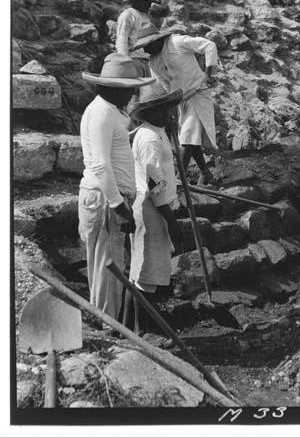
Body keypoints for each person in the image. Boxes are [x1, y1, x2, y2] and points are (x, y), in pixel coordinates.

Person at [79, 53, 154, 319]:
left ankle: (107, 323)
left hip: (110, 198)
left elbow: (114, 145)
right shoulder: (101, 113)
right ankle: (106, 327)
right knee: (107, 270)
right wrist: (118, 206)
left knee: (110, 267)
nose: (133, 94)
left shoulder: (110, 111)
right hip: (105, 199)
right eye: (129, 89)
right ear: (113, 88)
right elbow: (100, 164)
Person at [126, 82, 184, 331]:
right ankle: (138, 328)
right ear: (148, 113)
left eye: (169, 109)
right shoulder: (149, 138)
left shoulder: (156, 132)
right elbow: (154, 185)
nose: (169, 114)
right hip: (150, 208)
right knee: (143, 273)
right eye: (162, 110)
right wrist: (173, 224)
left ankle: (137, 325)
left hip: (155, 206)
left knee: (145, 270)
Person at [132, 25, 218, 185]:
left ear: (156, 40)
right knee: (190, 138)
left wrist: (209, 73)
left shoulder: (177, 42)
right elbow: (162, 86)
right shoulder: (153, 62)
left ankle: (180, 178)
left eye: (147, 44)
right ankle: (205, 173)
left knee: (187, 137)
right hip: (180, 100)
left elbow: (208, 45)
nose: (146, 49)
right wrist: (167, 107)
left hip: (198, 93)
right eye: (143, 46)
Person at [115, 0, 162, 77]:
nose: (149, 5)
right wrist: (125, 61)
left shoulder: (145, 16)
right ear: (138, 0)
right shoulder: (128, 15)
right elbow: (121, 40)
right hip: (133, 59)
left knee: (145, 91)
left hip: (146, 61)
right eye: (147, 1)